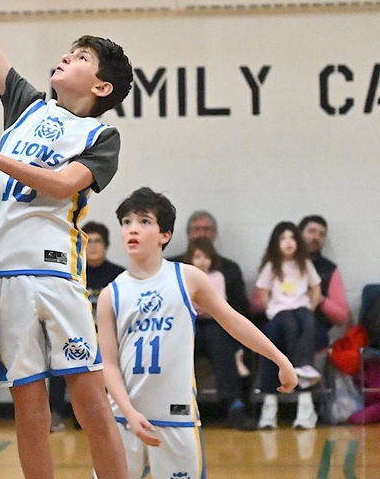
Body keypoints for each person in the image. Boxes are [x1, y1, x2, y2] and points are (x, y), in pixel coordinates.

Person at [0, 0, 133, 479]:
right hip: (4, 277)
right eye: (69, 52)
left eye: (81, 57)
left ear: (101, 87)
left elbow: (62, 184)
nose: (66, 57)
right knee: (29, 413)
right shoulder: (27, 105)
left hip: (55, 275)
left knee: (89, 401)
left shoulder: (101, 135)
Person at [97, 187, 297, 479]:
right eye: (126, 222)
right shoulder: (110, 294)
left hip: (175, 415)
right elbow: (109, 363)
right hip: (123, 418)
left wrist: (280, 359)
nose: (132, 229)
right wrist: (128, 412)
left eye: (144, 221)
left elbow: (234, 322)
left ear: (165, 235)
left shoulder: (187, 277)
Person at [167, 210, 256, 429]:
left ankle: (235, 406)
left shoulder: (229, 269)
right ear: (188, 234)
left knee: (221, 340)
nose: (202, 233)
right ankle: (177, 408)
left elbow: (239, 307)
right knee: (179, 345)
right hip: (183, 325)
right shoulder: (172, 266)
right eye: (197, 229)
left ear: (215, 234)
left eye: (206, 229)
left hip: (219, 325)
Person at [48, 220, 125, 432]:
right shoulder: (71, 273)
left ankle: (113, 411)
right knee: (60, 354)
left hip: (108, 335)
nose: (93, 246)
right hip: (76, 334)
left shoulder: (119, 275)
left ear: (106, 245)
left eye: (98, 241)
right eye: (88, 241)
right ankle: (56, 412)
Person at [254, 220, 322, 430]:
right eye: (283, 238)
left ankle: (302, 367)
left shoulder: (305, 264)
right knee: (289, 327)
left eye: (292, 237)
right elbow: (263, 291)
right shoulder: (272, 266)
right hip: (280, 310)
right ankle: (297, 368)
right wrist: (270, 309)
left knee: (308, 323)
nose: (288, 242)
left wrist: (311, 306)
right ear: (276, 243)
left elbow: (316, 287)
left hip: (301, 307)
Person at [299, 214, 350, 350]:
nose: (316, 237)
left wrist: (319, 299)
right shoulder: (280, 264)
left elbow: (342, 317)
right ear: (299, 233)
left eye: (321, 234)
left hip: (314, 326)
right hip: (281, 319)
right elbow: (257, 305)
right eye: (312, 231)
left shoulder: (329, 269)